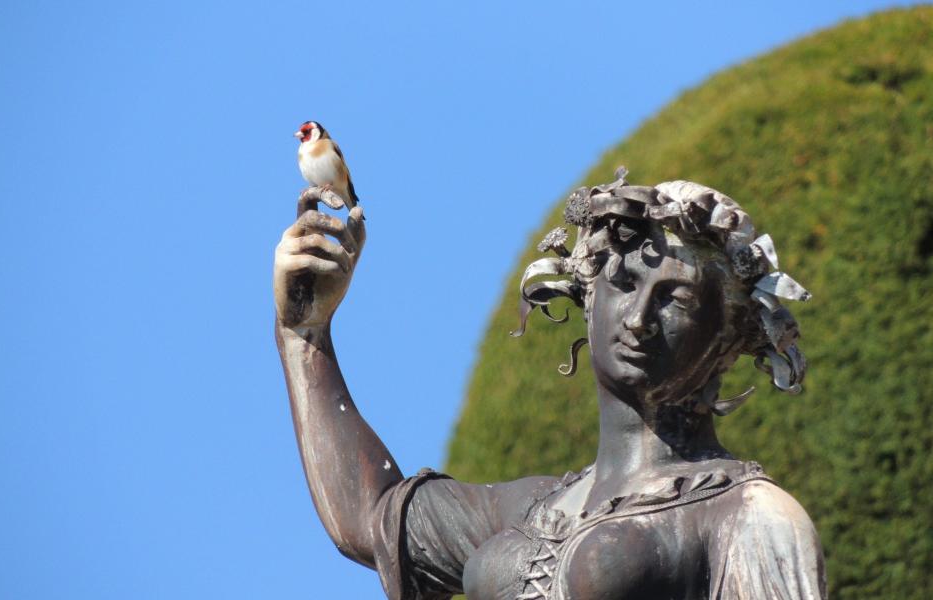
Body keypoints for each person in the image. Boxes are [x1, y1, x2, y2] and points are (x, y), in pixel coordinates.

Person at [273, 171, 826, 599]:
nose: (637, 319)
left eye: (675, 301)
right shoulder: (530, 509)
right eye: (624, 284)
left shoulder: (749, 516)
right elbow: (370, 519)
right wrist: (304, 334)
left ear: (728, 336)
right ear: (588, 299)